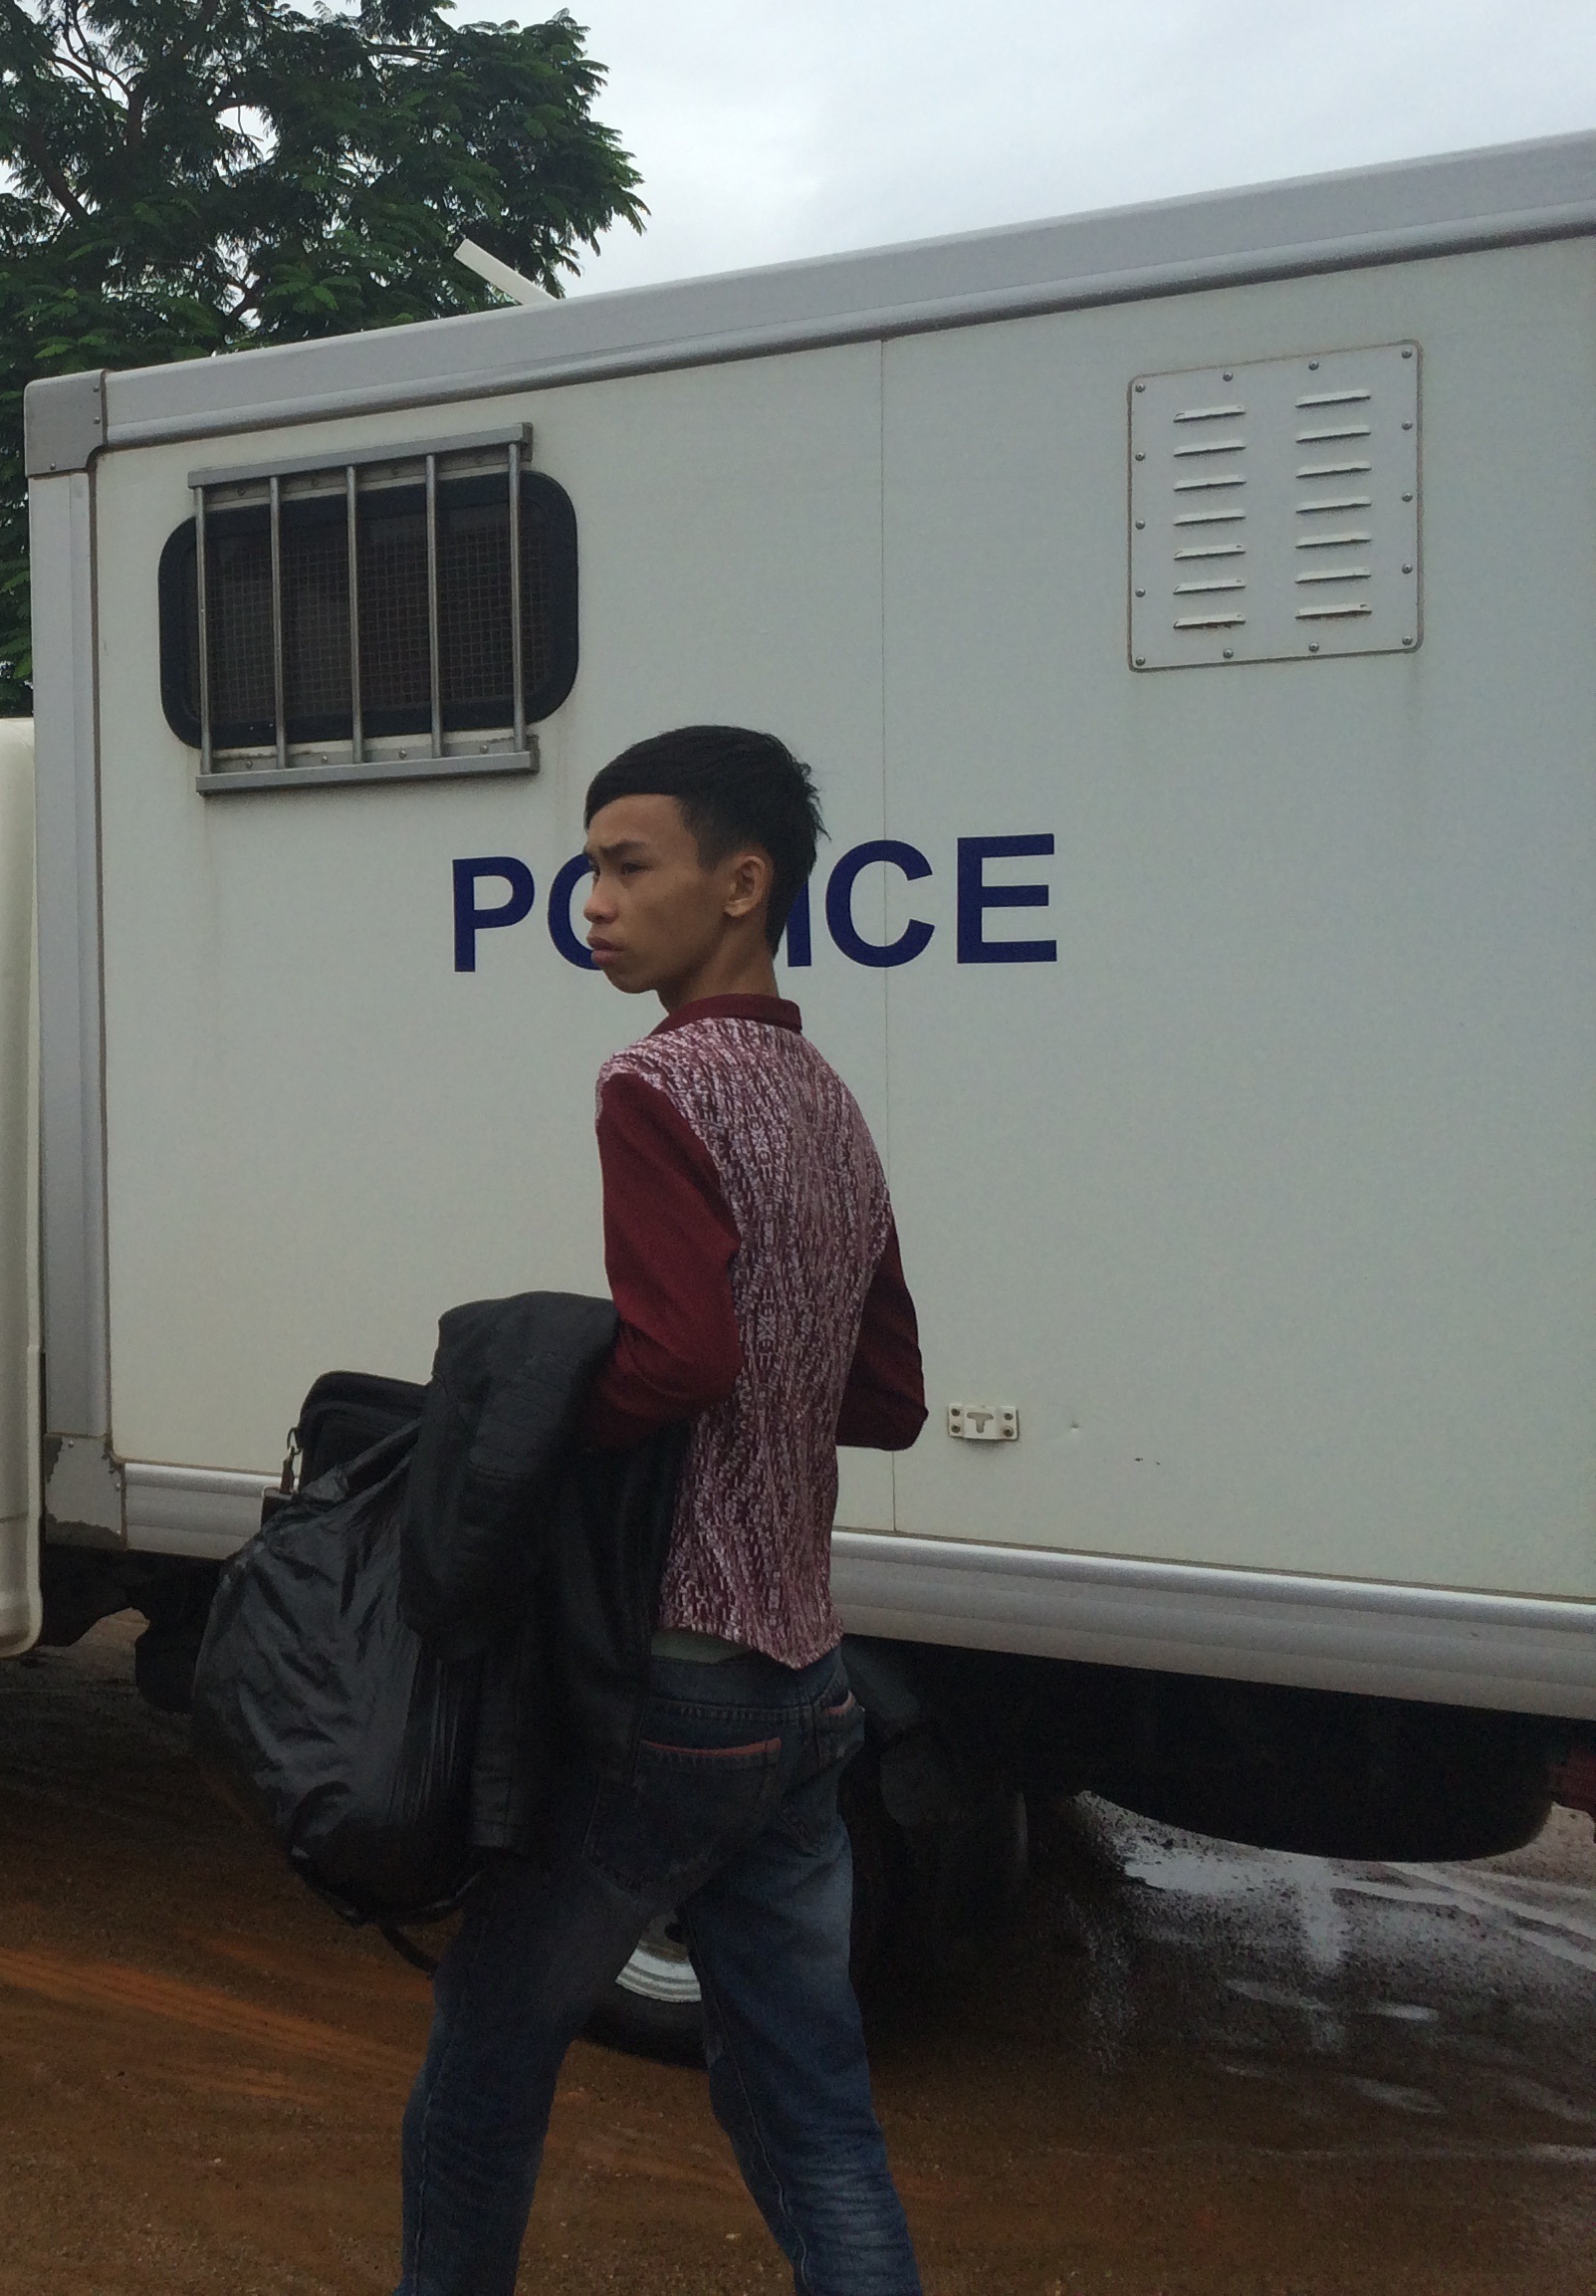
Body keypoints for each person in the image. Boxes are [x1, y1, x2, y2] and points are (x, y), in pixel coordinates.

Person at [398, 727, 928, 2294]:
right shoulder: (826, 1095)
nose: (595, 900)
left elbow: (683, 1355)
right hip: (807, 1682)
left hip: (675, 1678)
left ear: (740, 883)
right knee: (814, 2100)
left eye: (631, 867)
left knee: (486, 2067)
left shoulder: (655, 1079)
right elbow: (884, 1395)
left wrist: (554, 1436)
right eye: (591, 868)